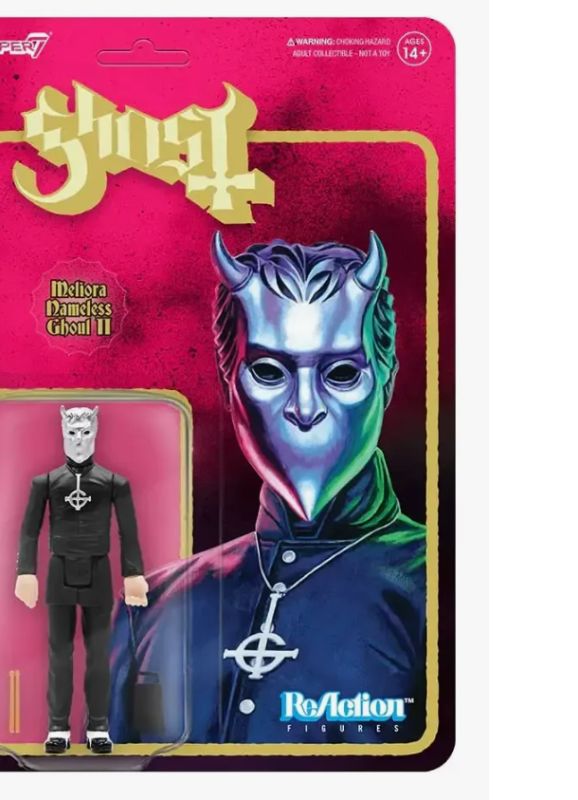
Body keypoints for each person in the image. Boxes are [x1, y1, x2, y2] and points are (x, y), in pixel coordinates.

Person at [108, 232, 427, 745]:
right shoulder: (151, 605)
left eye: (342, 373)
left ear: (385, 377)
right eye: (269, 372)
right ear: (228, 381)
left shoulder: (444, 585)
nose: (305, 408)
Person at [14, 405, 149, 754]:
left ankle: (98, 727)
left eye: (85, 432)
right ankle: (58, 728)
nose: (78, 440)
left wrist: (133, 573)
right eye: (72, 433)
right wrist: (25, 572)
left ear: (95, 434)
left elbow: (128, 530)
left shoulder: (114, 483)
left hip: (98, 573)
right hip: (59, 573)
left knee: (99, 655)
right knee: (59, 654)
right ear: (63, 433)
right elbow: (29, 531)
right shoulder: (45, 483)